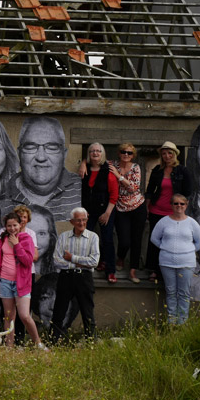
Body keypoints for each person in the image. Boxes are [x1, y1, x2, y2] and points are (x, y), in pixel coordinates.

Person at [0, 205, 46, 349]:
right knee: (8, 316)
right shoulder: (2, 239)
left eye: (15, 225)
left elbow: (27, 261)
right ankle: (9, 347)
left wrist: (17, 245)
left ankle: (38, 343)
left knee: (24, 315)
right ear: (5, 227)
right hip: (5, 281)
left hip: (21, 283)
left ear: (20, 225)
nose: (12, 228)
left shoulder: (26, 239)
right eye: (9, 226)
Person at [4, 117, 77, 221]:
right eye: (30, 147)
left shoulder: (81, 187)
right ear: (19, 153)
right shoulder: (0, 195)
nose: (41, 157)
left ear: (64, 154)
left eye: (52, 147)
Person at [149, 194, 200, 325]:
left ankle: (182, 322)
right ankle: (171, 321)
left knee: (184, 292)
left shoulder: (192, 223)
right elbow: (154, 238)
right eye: (176, 203)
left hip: (186, 263)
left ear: (186, 205)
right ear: (171, 205)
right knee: (171, 292)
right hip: (166, 262)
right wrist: (166, 247)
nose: (179, 206)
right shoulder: (163, 221)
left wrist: (187, 250)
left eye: (181, 204)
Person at [142, 142, 192, 282]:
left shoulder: (183, 170)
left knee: (171, 241)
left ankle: (168, 269)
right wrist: (147, 207)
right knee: (155, 240)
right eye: (164, 153)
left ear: (175, 154)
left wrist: (182, 209)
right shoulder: (157, 170)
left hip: (174, 212)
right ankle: (153, 269)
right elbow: (150, 191)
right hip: (156, 209)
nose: (167, 156)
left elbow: (188, 192)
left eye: (170, 153)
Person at [50, 208, 100, 343]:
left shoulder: (93, 237)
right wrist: (77, 264)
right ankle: (53, 340)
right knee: (59, 310)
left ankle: (91, 341)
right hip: (66, 277)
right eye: (78, 220)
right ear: (72, 221)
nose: (81, 223)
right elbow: (57, 261)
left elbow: (94, 261)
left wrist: (72, 258)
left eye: (84, 219)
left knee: (87, 310)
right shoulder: (63, 237)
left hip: (84, 278)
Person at [79, 143, 120, 282]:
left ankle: (110, 271)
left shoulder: (108, 171)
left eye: (98, 151)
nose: (95, 153)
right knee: (84, 238)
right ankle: (84, 268)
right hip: (88, 211)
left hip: (105, 210)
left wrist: (108, 213)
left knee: (107, 239)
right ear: (88, 154)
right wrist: (84, 211)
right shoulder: (85, 170)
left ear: (102, 154)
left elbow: (114, 194)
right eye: (92, 151)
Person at [110, 143, 146, 284]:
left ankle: (132, 270)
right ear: (119, 153)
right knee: (124, 240)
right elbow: (94, 158)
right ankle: (121, 257)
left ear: (133, 155)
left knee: (137, 239)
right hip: (120, 208)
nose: (126, 155)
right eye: (124, 152)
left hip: (138, 206)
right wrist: (82, 163)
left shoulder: (135, 167)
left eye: (129, 153)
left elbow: (133, 187)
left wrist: (118, 176)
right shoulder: (112, 164)